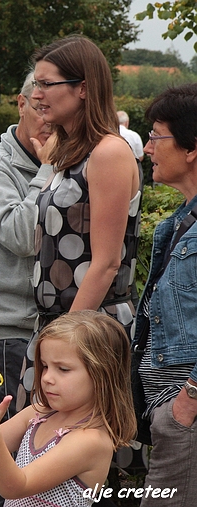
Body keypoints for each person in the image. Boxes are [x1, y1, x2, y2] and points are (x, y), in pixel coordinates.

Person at [23, 35, 142, 393]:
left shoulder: (108, 153)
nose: (36, 94)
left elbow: (106, 264)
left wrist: (64, 341)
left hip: (90, 333)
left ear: (84, 89)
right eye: (35, 84)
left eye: (46, 84)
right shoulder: (68, 152)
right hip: (60, 330)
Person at [0, 71, 53, 507]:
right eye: (39, 107)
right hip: (6, 332)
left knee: (44, 461)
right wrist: (49, 171)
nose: (48, 119)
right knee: (11, 461)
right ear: (18, 105)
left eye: (55, 109)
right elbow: (23, 236)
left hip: (47, 331)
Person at [0, 311, 136, 506]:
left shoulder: (90, 439)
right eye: (45, 366)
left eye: (63, 369)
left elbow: (14, 488)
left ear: (102, 375)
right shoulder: (39, 413)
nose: (47, 377)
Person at [133, 83, 197, 506]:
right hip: (171, 414)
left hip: (186, 417)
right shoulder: (179, 223)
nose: (147, 149)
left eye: (157, 136)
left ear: (192, 148)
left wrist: (189, 399)